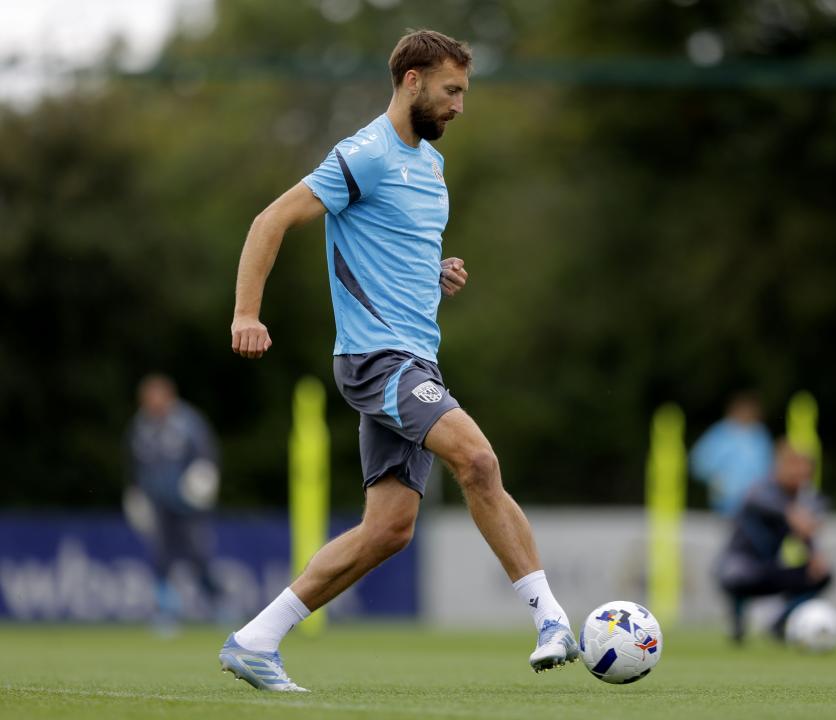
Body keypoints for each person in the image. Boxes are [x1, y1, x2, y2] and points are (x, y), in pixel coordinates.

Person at [218, 29, 576, 692]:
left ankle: (255, 640)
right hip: (377, 361)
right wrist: (246, 313)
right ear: (413, 81)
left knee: (388, 531)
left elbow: (388, 248)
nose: (459, 106)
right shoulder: (365, 153)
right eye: (451, 90)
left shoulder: (431, 166)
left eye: (463, 92)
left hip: (414, 362)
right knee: (478, 460)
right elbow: (270, 220)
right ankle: (551, 619)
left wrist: (433, 272)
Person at [126, 373, 221, 631]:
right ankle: (166, 611)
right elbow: (134, 465)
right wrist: (135, 494)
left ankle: (218, 604)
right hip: (157, 505)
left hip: (188, 504)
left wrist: (204, 477)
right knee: (160, 557)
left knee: (198, 555)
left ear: (170, 397)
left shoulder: (189, 423)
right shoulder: (140, 427)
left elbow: (206, 455)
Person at [715, 440, 833, 644]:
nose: (799, 477)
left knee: (821, 574)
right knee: (734, 573)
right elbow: (763, 502)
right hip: (743, 565)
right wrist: (790, 513)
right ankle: (737, 622)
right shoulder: (760, 490)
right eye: (794, 469)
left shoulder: (806, 500)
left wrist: (814, 554)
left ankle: (780, 623)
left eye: (804, 473)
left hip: (772, 567)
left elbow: (807, 528)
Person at [690, 391, 774, 516]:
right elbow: (699, 461)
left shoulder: (760, 435)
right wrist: (715, 480)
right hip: (723, 502)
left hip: (754, 503)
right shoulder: (721, 432)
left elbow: (768, 468)